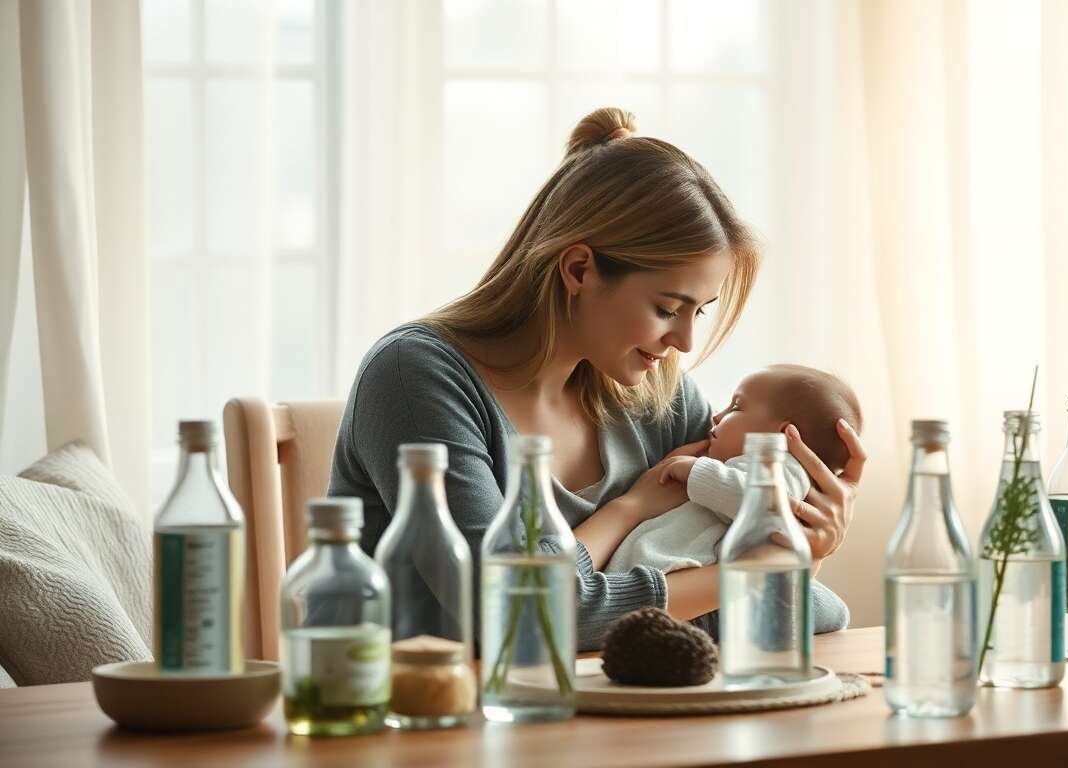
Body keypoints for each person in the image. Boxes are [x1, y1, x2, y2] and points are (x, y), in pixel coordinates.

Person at [328, 107, 867, 650]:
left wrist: (800, 539)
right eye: (666, 308)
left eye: (698, 312)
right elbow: (517, 613)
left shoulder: (657, 394)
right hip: (428, 720)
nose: (683, 342)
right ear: (579, 269)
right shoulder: (416, 378)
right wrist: (634, 512)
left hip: (604, 717)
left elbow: (787, 616)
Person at [606, 365, 861, 585]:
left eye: (736, 407)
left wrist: (695, 470)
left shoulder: (784, 467)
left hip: (689, 588)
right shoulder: (744, 466)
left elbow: (758, 504)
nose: (717, 416)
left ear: (783, 436)